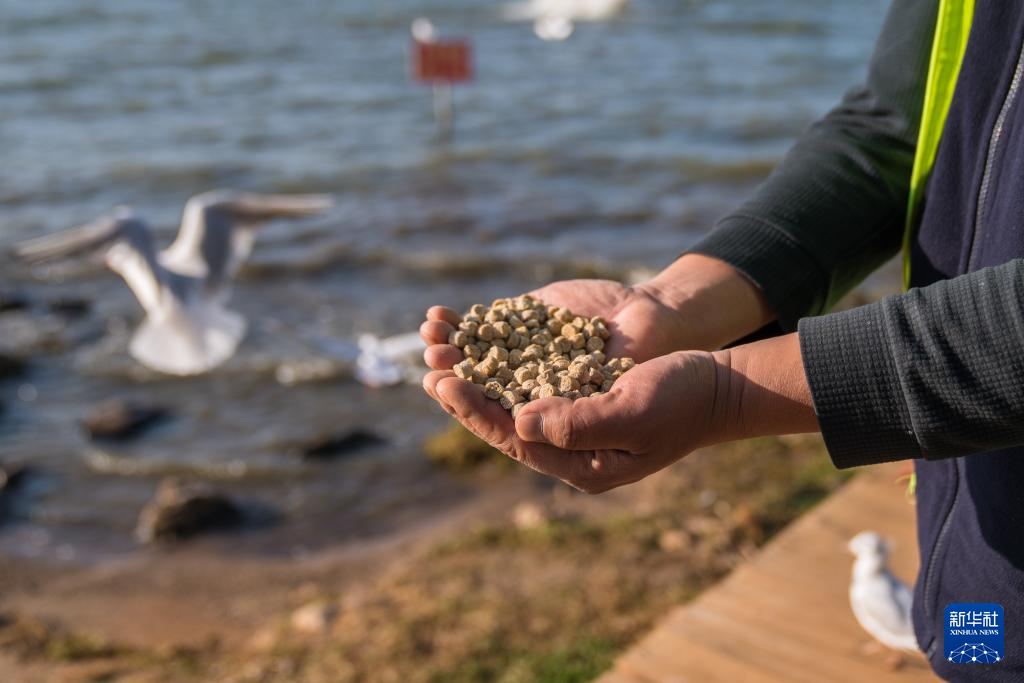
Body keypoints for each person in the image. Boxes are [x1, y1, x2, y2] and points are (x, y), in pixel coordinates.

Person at [419, 1, 1024, 679]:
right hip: (981, 548)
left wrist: (728, 398)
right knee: (977, 655)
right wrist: (668, 302)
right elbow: (896, 128)